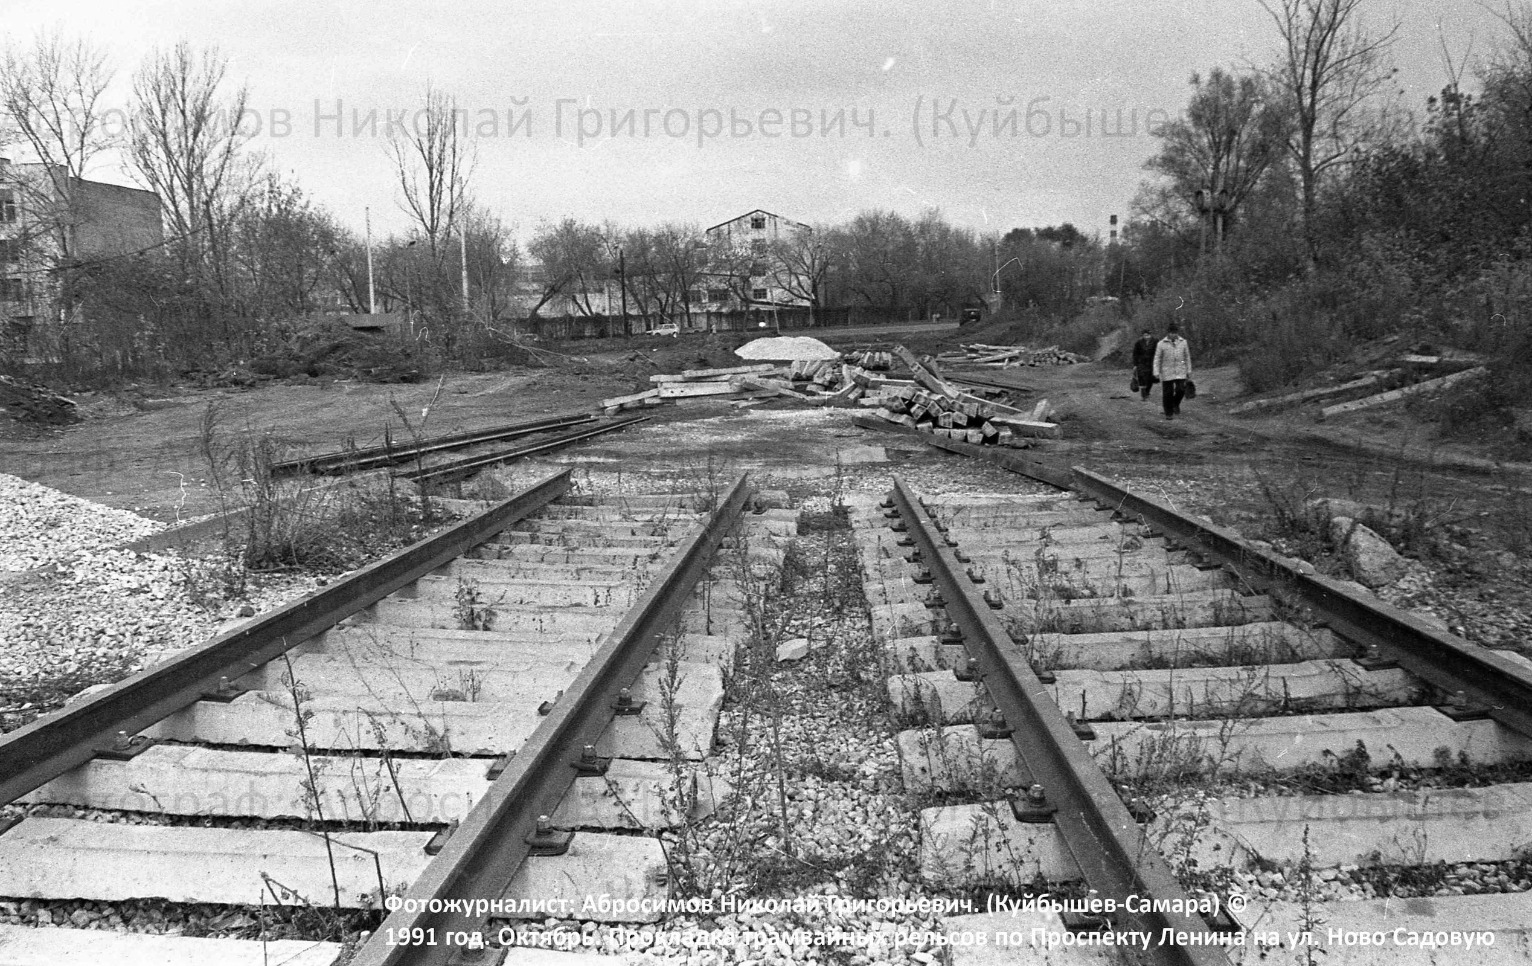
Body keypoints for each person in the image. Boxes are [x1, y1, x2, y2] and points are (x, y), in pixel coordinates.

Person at [1153, 322, 1192, 419]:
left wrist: (1189, 370)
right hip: (1167, 371)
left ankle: (1175, 403)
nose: (1174, 334)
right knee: (1167, 393)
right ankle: (1168, 412)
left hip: (1180, 370)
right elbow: (1157, 358)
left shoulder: (1183, 342)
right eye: (1171, 333)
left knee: (1181, 389)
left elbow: (1187, 357)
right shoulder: (1161, 344)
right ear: (1168, 333)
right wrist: (1156, 371)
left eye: (1175, 332)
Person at [1130, 328, 1157, 401]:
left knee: (1150, 379)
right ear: (1142, 335)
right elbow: (1135, 354)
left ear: (1150, 335)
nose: (1146, 337)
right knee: (1142, 378)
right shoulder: (1138, 342)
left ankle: (1147, 392)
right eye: (1145, 335)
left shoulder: (1155, 341)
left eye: (1148, 335)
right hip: (1141, 363)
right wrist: (1135, 364)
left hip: (1151, 362)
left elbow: (1158, 352)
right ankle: (1143, 395)